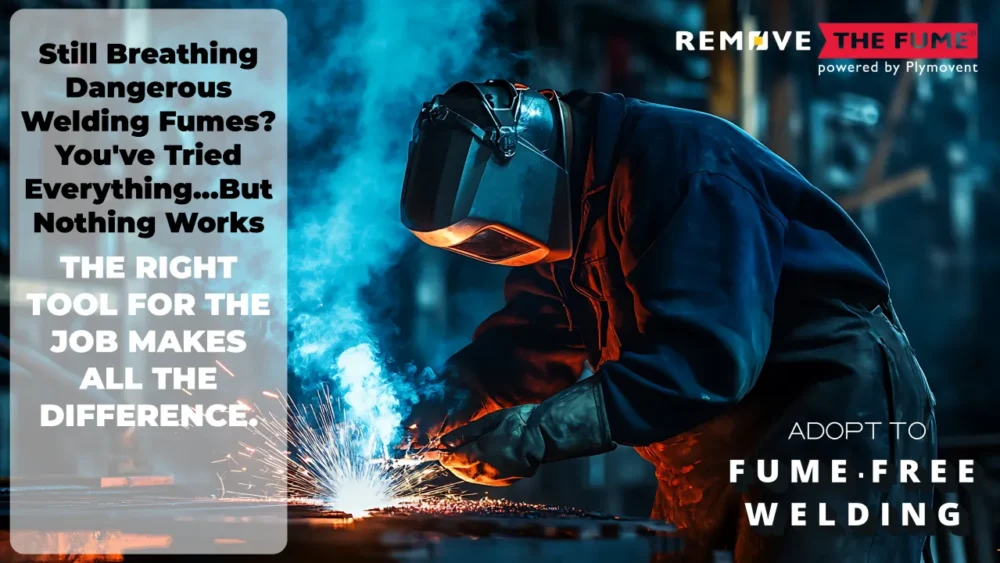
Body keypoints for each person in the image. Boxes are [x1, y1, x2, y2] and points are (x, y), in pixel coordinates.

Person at [399, 79, 937, 562]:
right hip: (701, 435)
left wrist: (535, 433)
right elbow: (534, 336)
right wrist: (455, 395)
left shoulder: (683, 169)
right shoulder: (569, 212)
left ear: (528, 167)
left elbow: (702, 361)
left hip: (826, 415)